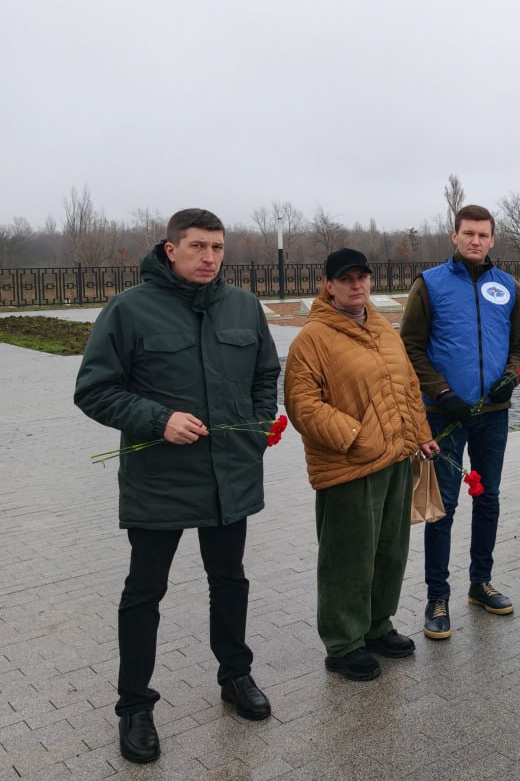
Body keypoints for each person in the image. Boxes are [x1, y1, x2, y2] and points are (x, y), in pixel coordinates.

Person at [74, 209, 279, 764]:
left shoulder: (241, 306)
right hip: (159, 480)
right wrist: (156, 418)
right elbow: (94, 390)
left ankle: (236, 677)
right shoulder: (130, 309)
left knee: (230, 580)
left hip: (227, 477)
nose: (209, 257)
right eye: (197, 247)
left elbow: (266, 374)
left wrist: (258, 429)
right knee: (144, 594)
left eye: (217, 247)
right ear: (171, 250)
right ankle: (134, 706)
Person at [283, 249, 440, 681]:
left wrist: (421, 434)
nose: (356, 285)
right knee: (348, 556)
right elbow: (302, 404)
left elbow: (407, 385)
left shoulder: (383, 329)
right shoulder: (312, 339)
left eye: (362, 277)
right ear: (328, 285)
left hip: (394, 459)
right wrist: (355, 436)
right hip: (349, 466)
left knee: (389, 551)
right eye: (346, 278)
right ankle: (343, 642)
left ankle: (376, 625)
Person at [400, 204, 520, 639]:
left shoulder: (507, 285)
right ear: (454, 236)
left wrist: (511, 378)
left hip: (492, 416)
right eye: (468, 233)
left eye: (483, 234)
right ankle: (438, 595)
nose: (475, 240)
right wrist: (441, 392)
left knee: (488, 497)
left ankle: (481, 582)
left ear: (493, 239)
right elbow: (411, 347)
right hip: (443, 415)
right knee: (444, 505)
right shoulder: (429, 284)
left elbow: (519, 345)